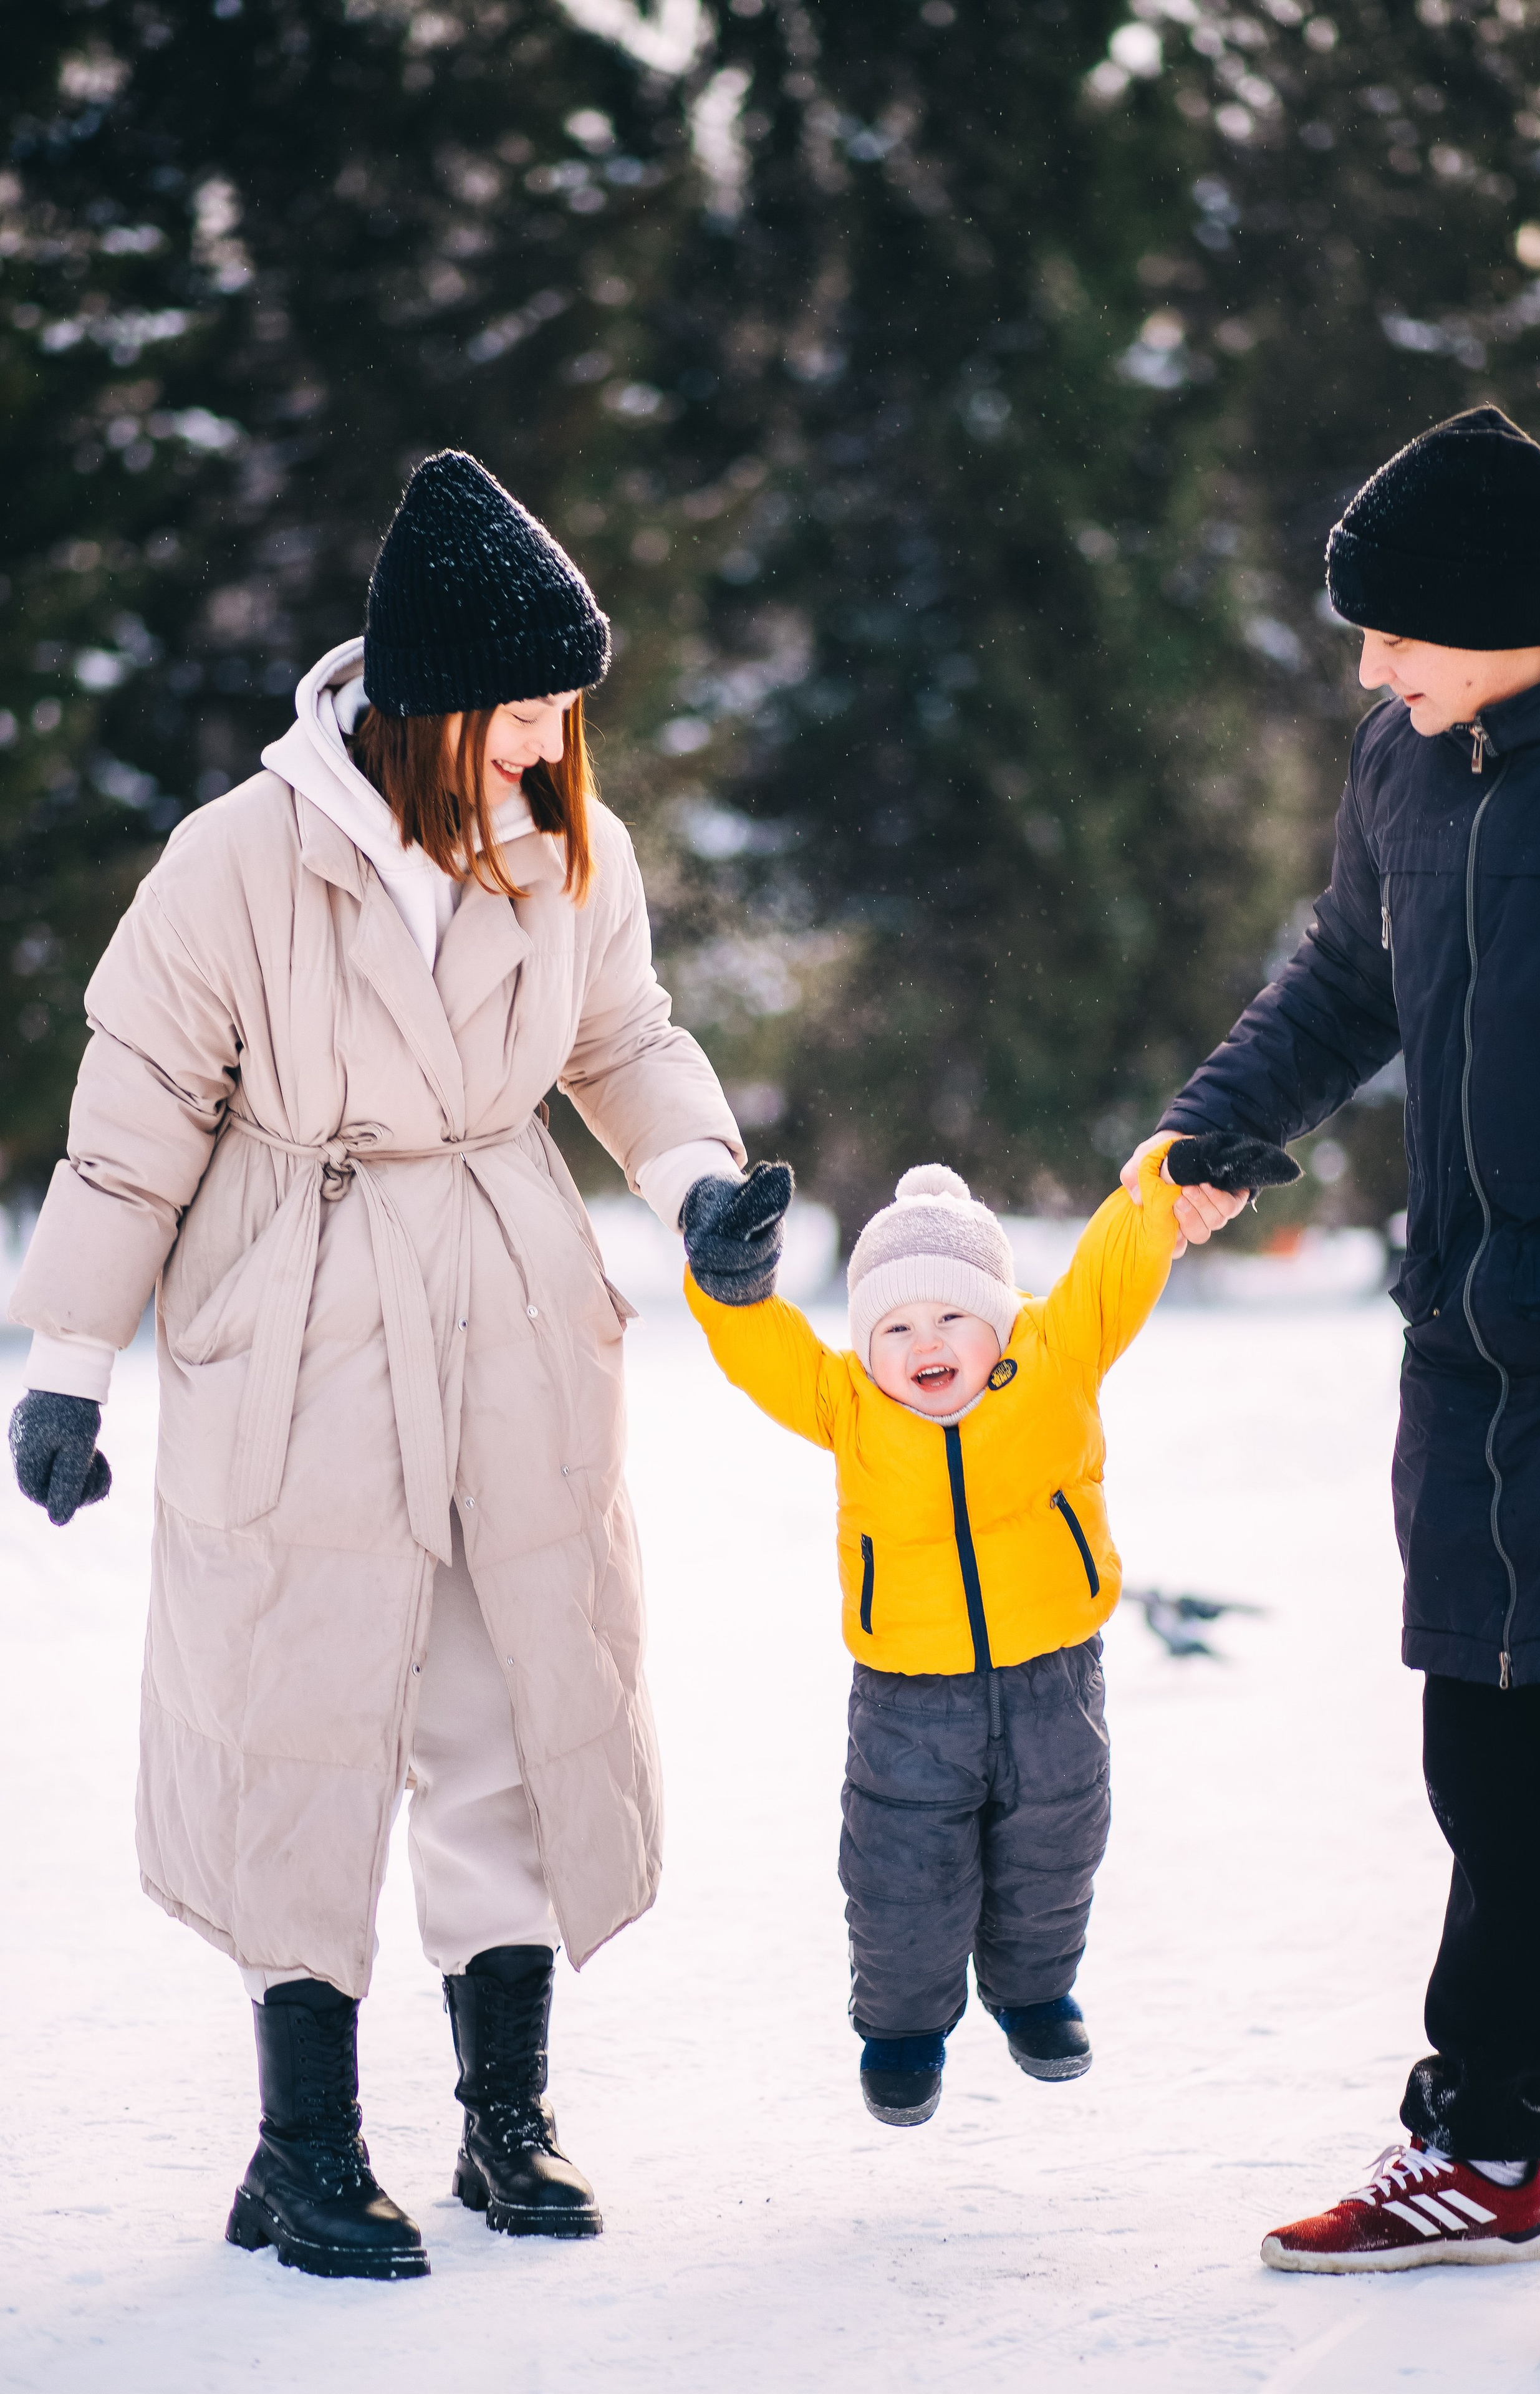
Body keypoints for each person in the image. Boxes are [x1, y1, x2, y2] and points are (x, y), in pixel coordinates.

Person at [6, 450, 751, 2281]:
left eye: (572, 709)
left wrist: (703, 1184)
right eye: (526, 711)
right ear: (426, 710)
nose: (553, 743)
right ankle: (303, 2148)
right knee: (303, 1705)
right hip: (303, 1301)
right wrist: (70, 1362)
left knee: (511, 1694)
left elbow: (624, 1036)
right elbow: (131, 1126)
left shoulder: (571, 837)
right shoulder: (233, 865)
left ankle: (506, 2119)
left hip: (501, 1283)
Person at [1121, 406, 1540, 2360]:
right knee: (1493, 1766)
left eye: (1401, 633)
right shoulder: (1409, 760)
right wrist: (1222, 1129)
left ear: (1502, 616)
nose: (1373, 668)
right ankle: (1483, 2153)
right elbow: (1348, 972)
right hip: (1474, 1349)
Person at [676, 1130, 1292, 2124]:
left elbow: (1113, 1262)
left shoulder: (1057, 1359)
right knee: (899, 1876)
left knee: (1055, 1849)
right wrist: (731, 1278)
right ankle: (903, 2032)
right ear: (866, 1342)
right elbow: (761, 1347)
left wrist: (1168, 1179)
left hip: (1054, 1676)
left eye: (954, 1316)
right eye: (897, 1326)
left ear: (1002, 1320)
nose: (925, 1344)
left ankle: (1037, 1992)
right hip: (908, 1699)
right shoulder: (847, 1404)